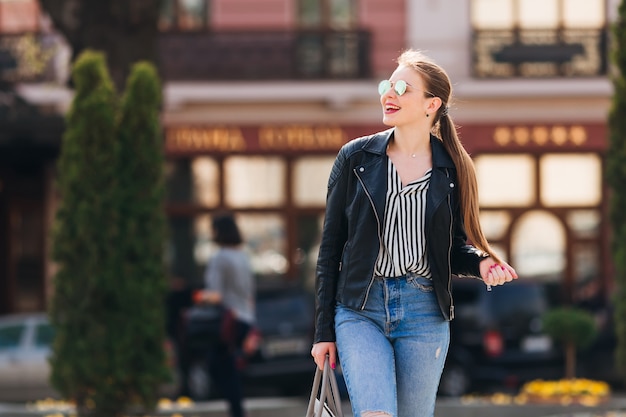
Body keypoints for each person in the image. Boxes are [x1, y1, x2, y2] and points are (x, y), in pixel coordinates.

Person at [310, 49, 518, 417]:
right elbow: (329, 251)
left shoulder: (453, 170)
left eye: (402, 87)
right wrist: (322, 331)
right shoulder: (355, 159)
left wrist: (481, 262)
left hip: (424, 314)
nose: (388, 94)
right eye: (386, 86)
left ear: (431, 104)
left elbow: (451, 249)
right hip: (360, 310)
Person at [195, 213, 256, 417]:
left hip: (227, 321)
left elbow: (215, 295)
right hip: (244, 319)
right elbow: (249, 294)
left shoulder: (220, 257)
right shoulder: (243, 256)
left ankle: (237, 411)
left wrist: (198, 297)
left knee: (219, 367)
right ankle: (237, 409)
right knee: (228, 367)